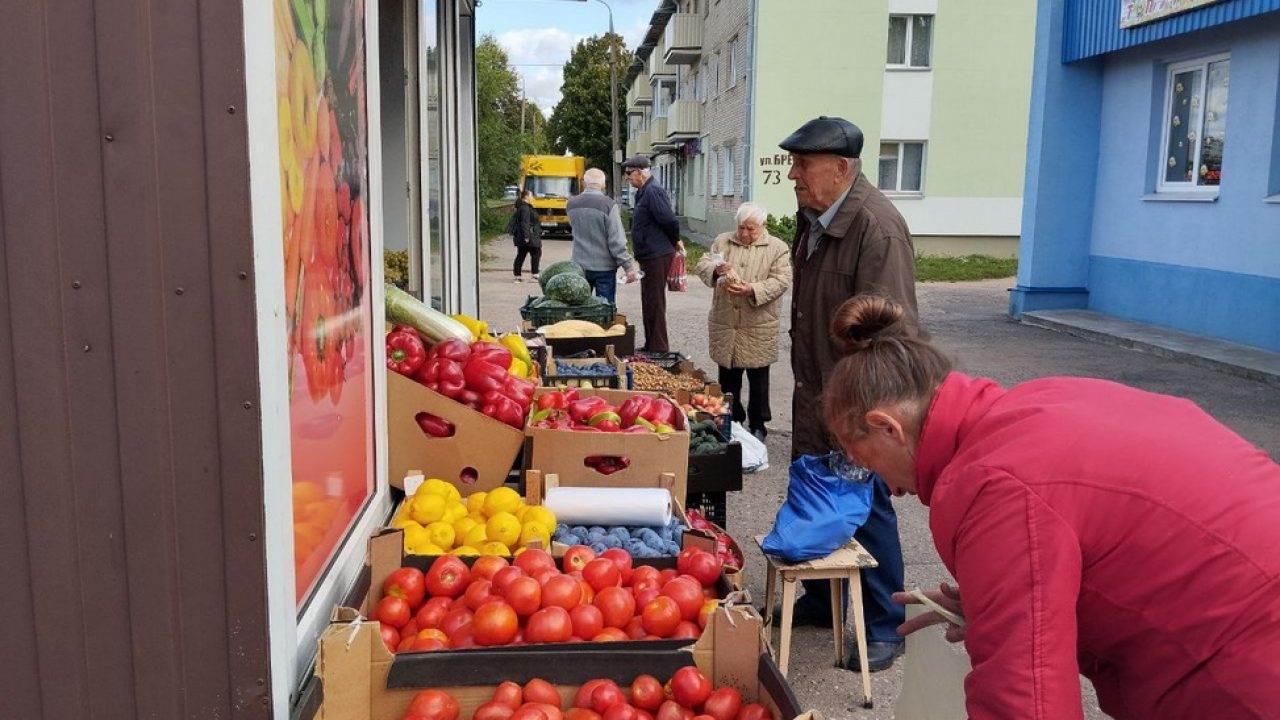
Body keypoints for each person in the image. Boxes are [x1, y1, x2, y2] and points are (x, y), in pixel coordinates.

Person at [823, 294, 1280, 719]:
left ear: (887, 428)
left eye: (868, 464)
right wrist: (997, 598)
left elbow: (1028, 698)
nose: (891, 490)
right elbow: (1119, 538)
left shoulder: (994, 485)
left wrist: (1008, 607)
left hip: (1244, 665)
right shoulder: (1034, 404)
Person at [779, 115, 918, 671]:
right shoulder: (815, 216)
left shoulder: (877, 228)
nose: (793, 174)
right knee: (816, 492)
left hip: (859, 401)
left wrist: (875, 413)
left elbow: (893, 330)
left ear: (840, 168)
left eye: (802, 164)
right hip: (818, 391)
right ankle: (821, 597)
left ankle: (887, 623)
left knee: (869, 505)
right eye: (793, 164)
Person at [693, 202, 792, 441]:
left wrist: (752, 289)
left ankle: (759, 423)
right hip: (726, 320)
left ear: (762, 226)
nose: (745, 234)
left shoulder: (777, 247)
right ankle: (732, 417)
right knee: (728, 376)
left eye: (751, 229)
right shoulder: (723, 241)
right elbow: (702, 264)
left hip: (758, 322)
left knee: (758, 378)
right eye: (741, 228)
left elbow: (782, 280)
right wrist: (716, 271)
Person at [622, 155, 683, 352]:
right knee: (648, 301)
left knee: (655, 302)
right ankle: (651, 344)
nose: (627, 178)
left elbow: (670, 221)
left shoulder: (653, 191)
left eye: (629, 173)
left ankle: (659, 348)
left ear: (640, 172)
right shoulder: (643, 191)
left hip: (658, 255)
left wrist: (675, 241)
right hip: (649, 255)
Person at [566, 168, 638, 302]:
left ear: (584, 183)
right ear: (603, 184)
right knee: (604, 311)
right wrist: (628, 266)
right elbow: (616, 240)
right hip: (604, 268)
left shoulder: (571, 204)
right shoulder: (609, 205)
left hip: (578, 266)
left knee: (580, 308)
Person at [510, 189, 542, 283]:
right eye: (531, 195)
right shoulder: (525, 208)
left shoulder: (522, 207)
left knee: (521, 255)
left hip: (523, 235)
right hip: (529, 235)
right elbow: (525, 222)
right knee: (536, 253)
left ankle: (517, 275)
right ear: (526, 196)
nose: (532, 197)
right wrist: (526, 236)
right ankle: (534, 274)